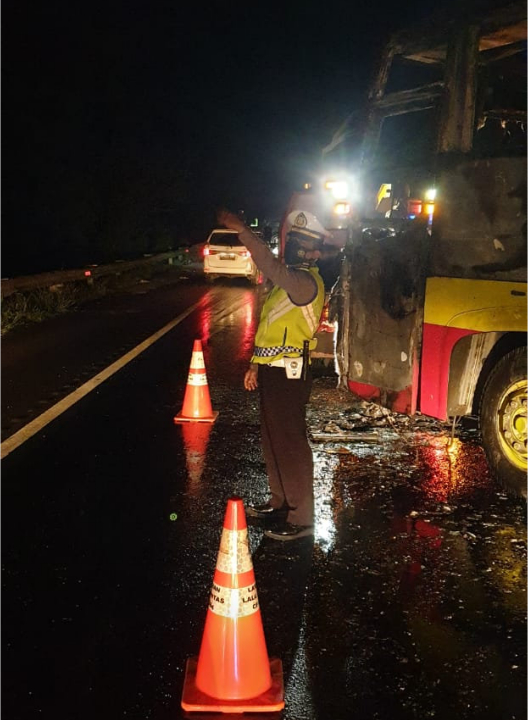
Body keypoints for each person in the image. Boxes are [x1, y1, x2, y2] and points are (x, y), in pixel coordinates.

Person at [217, 208, 329, 540]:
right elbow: (269, 328)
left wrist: (243, 231)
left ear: (316, 252)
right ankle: (281, 503)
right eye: (294, 241)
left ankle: (302, 518)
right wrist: (254, 364)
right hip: (271, 371)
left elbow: (270, 265)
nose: (298, 249)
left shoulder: (304, 283)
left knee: (290, 444)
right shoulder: (286, 286)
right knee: (272, 442)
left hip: (291, 374)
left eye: (305, 245)